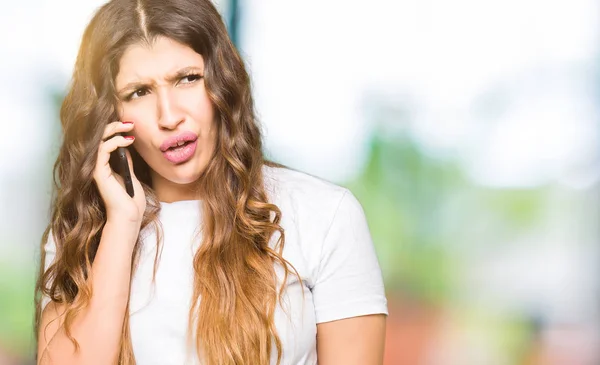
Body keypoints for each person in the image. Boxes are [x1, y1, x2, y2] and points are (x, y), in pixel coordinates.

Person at [34, 0, 388, 364]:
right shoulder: (83, 235)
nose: (169, 116)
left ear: (223, 82)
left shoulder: (324, 215)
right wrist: (122, 224)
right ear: (112, 114)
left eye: (187, 78)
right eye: (139, 92)